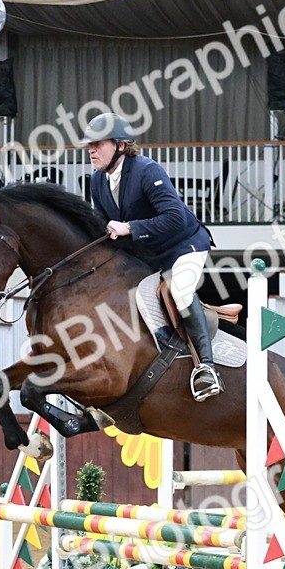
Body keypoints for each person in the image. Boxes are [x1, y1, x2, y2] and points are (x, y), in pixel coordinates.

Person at [81, 112, 222, 401]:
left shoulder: (147, 170)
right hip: (149, 254)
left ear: (120, 145)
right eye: (89, 145)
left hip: (183, 246)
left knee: (180, 292)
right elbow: (104, 226)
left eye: (97, 144)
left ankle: (206, 368)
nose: (90, 150)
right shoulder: (97, 181)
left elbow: (174, 218)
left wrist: (130, 228)